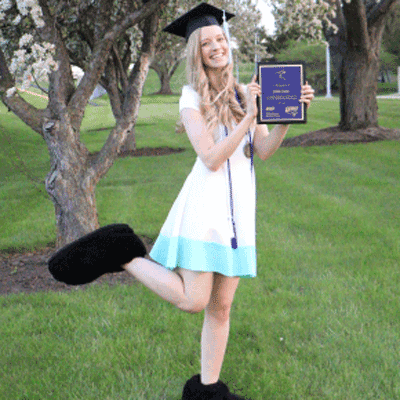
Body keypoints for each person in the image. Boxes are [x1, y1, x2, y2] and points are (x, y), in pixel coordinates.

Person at [48, 3, 315, 399]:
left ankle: (209, 390)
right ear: (196, 51)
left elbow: (263, 149)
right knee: (194, 301)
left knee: (220, 308)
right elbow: (209, 157)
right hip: (205, 212)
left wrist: (287, 118)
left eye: (220, 39)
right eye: (207, 42)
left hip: (238, 216)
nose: (216, 47)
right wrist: (248, 117)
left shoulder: (245, 92)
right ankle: (124, 253)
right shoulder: (191, 97)